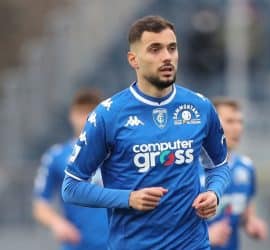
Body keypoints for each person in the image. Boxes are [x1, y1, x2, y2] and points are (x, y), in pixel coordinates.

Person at [61, 15, 230, 250]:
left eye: (172, 48)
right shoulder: (108, 115)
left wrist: (214, 193)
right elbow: (71, 187)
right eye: (155, 49)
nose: (167, 57)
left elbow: (219, 165)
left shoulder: (200, 108)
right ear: (134, 59)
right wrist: (128, 198)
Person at [33, 89, 108, 250]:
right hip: (76, 244)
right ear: (71, 116)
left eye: (91, 112)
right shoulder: (56, 156)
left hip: (115, 243)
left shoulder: (116, 153)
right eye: (81, 113)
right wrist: (57, 224)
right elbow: (40, 205)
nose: (86, 118)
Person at [203, 97, 268, 250]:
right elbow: (168, 227)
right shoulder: (190, 169)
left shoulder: (246, 168)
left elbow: (246, 215)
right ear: (210, 125)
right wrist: (206, 237)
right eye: (230, 121)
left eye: (240, 122)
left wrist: (252, 224)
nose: (237, 128)